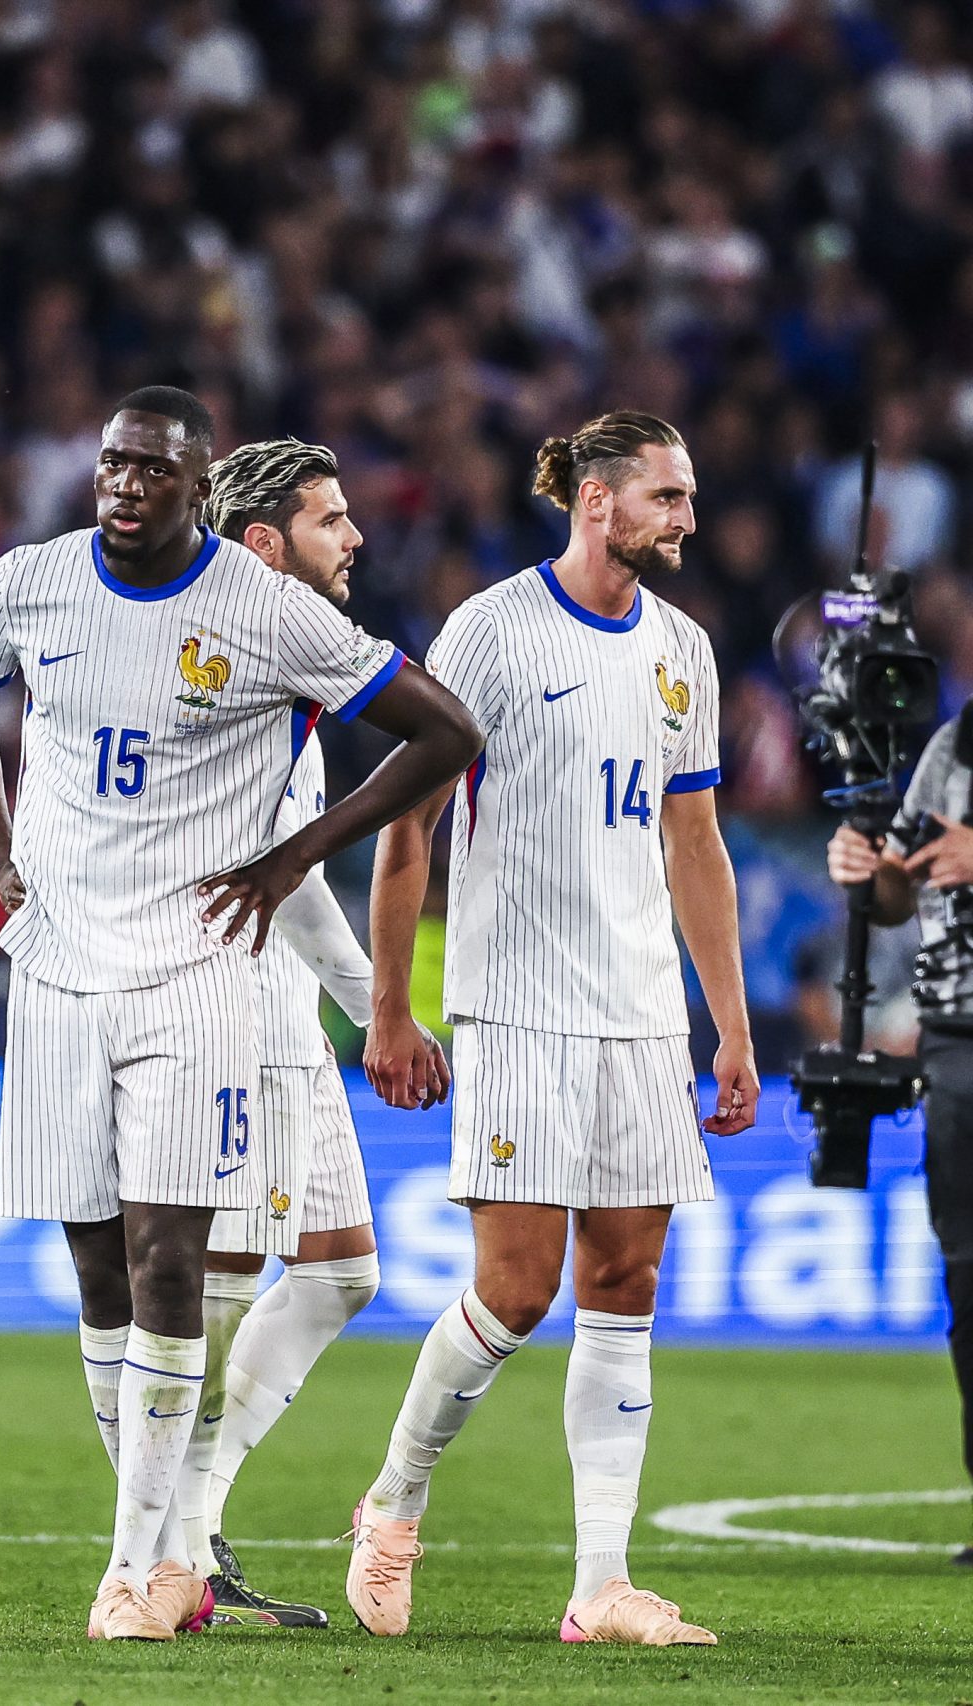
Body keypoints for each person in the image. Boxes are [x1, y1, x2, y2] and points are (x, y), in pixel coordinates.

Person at [0, 386, 480, 1643]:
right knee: (97, 1272)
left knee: (177, 1260)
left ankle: (136, 1565)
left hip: (197, 975)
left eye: (151, 469)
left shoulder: (265, 611)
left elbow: (446, 730)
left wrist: (290, 860)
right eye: (112, 464)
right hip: (56, 967)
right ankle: (173, 1546)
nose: (124, 485)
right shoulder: (29, 583)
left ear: (196, 484)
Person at [348, 410, 757, 1646]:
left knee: (624, 1284)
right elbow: (408, 829)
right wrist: (388, 1006)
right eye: (667, 496)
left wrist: (728, 1027)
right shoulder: (490, 631)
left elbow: (695, 844)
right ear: (595, 499)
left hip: (641, 1017)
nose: (686, 518)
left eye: (688, 497)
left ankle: (599, 1585)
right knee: (516, 1290)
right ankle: (393, 1500)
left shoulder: (683, 650)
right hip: (518, 1006)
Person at [180, 439, 451, 1625]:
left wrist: (361, 1004)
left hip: (285, 1009)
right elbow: (272, 877)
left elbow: (292, 865)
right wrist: (378, 1008)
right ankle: (170, 1544)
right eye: (330, 519)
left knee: (339, 1270)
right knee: (222, 1283)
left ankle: (191, 1519)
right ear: (264, 543)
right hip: (240, 1011)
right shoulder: (235, 663)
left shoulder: (293, 655)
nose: (356, 536)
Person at [825, 733, 973, 1569]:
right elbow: (897, 895)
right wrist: (870, 869)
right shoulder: (954, 745)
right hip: (954, 1033)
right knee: (969, 1278)